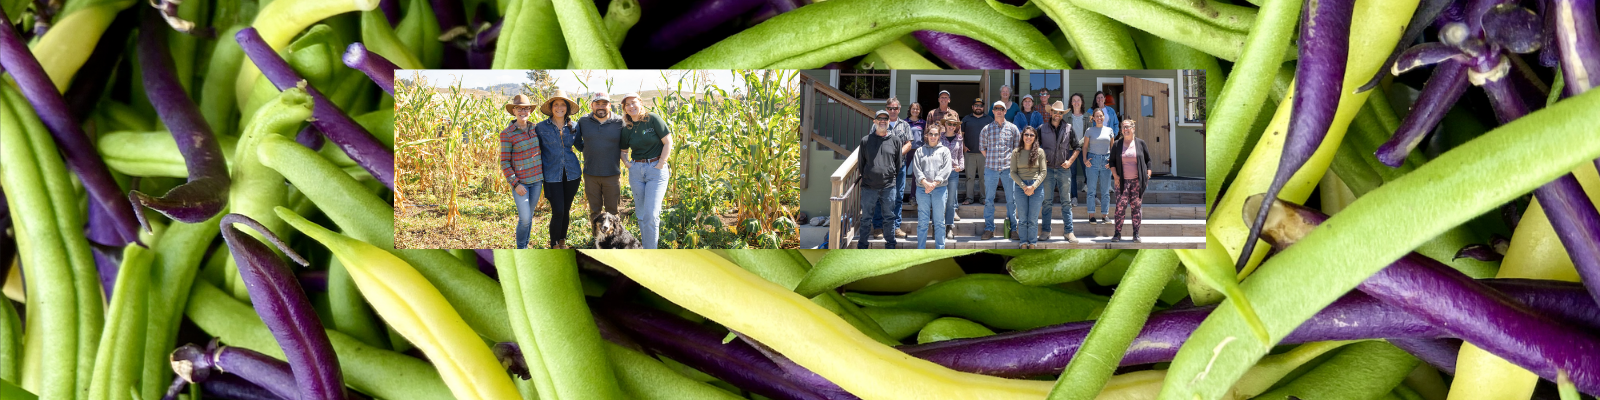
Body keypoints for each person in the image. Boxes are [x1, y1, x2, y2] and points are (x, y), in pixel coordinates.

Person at [619, 93, 673, 249]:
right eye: (627, 105)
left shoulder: (652, 119)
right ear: (624, 108)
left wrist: (661, 162)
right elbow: (623, 150)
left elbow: (668, 141)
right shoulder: (627, 128)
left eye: (633, 103)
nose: (631, 106)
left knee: (651, 214)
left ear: (640, 103)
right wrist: (628, 164)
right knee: (641, 215)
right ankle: (647, 249)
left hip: (655, 170)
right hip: (636, 172)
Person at [855, 109, 911, 248]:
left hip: (888, 187)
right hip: (869, 187)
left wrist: (889, 175)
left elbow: (898, 164)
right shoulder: (866, 141)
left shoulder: (895, 141)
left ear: (888, 122)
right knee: (866, 218)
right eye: (879, 118)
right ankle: (862, 245)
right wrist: (869, 175)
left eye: (885, 119)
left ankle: (890, 244)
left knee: (889, 217)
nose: (882, 121)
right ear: (874, 121)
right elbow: (861, 163)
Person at [536, 91, 583, 249]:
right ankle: (554, 244)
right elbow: (534, 149)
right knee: (558, 211)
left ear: (567, 108)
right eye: (556, 104)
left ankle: (562, 241)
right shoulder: (541, 127)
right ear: (551, 107)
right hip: (551, 175)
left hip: (573, 174)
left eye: (563, 104)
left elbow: (581, 146)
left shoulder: (575, 126)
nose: (559, 107)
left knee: (566, 209)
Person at [498, 94, 544, 249]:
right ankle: (521, 248)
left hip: (537, 181)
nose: (523, 111)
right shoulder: (507, 133)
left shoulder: (536, 129)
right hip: (521, 183)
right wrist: (515, 183)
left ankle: (525, 245)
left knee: (529, 217)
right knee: (524, 218)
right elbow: (504, 162)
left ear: (530, 110)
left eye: (526, 108)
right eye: (519, 108)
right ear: (514, 111)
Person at [574, 92, 625, 223]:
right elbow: (578, 142)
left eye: (604, 103)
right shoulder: (583, 121)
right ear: (592, 105)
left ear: (610, 105)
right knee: (595, 212)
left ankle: (613, 241)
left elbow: (626, 143)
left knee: (613, 212)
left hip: (612, 175)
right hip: (591, 174)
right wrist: (589, 150)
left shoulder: (619, 122)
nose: (601, 107)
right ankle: (597, 241)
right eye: (597, 104)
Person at [871, 98, 914, 240]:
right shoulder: (879, 123)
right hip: (881, 168)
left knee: (897, 197)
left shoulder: (905, 125)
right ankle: (878, 227)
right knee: (879, 197)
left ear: (899, 109)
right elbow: (871, 142)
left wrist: (897, 155)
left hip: (899, 167)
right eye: (890, 108)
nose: (892, 111)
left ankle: (895, 227)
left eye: (895, 108)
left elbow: (909, 144)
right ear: (886, 109)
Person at [1038, 100, 1080, 243]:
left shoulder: (1069, 128)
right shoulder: (1042, 128)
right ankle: (1046, 230)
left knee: (1066, 202)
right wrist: (1041, 160)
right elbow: (1033, 147)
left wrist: (1070, 161)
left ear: (1062, 114)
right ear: (1050, 112)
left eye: (1060, 113)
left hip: (1063, 170)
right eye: (1055, 112)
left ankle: (1069, 232)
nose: (1057, 114)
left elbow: (1077, 147)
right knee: (1047, 202)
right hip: (1048, 170)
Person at [979, 101, 1020, 240]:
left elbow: (1017, 150)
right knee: (989, 200)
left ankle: (1014, 229)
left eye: (1001, 109)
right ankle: (989, 229)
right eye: (996, 108)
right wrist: (992, 159)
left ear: (1005, 111)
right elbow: (982, 148)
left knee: (1011, 200)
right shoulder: (986, 129)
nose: (998, 111)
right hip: (991, 168)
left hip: (1008, 169)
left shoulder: (1013, 129)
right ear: (993, 111)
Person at [1109, 119, 1152, 243]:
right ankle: (1117, 234)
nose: (1125, 129)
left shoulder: (1140, 143)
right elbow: (1111, 161)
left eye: (1127, 127)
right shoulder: (1117, 144)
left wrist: (1148, 175)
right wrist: (1115, 176)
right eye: (1123, 127)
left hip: (1137, 182)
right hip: (1121, 182)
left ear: (1133, 128)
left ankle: (1136, 234)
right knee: (1120, 208)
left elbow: (1148, 160)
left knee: (1136, 208)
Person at [911, 123, 953, 249]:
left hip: (939, 190)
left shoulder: (945, 151)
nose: (933, 137)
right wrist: (925, 182)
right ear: (927, 135)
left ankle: (940, 249)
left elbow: (947, 169)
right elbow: (916, 168)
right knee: (923, 222)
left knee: (939, 222)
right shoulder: (919, 151)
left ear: (939, 136)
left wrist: (934, 183)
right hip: (922, 190)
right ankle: (921, 249)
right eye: (931, 134)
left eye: (936, 134)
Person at [1011, 126, 1047, 249]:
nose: (1028, 137)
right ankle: (1023, 242)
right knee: (1022, 218)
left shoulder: (1040, 152)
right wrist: (1024, 186)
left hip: (1036, 186)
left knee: (1032, 218)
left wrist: (1033, 186)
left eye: (1032, 135)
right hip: (1020, 186)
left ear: (1035, 137)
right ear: (1022, 136)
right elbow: (1012, 172)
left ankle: (1032, 242)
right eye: (1026, 134)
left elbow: (1043, 172)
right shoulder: (1016, 152)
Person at [1082, 108, 1117, 226]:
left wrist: (1112, 162)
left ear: (1104, 117)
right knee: (1091, 190)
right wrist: (1085, 159)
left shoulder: (1109, 130)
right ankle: (1091, 215)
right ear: (1093, 118)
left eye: (1101, 116)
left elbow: (1113, 148)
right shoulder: (1089, 130)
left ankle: (1105, 215)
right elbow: (1085, 147)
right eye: (1096, 116)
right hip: (1093, 161)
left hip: (1106, 161)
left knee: (1105, 190)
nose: (1099, 118)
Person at [937, 114, 965, 239]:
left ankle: (949, 227)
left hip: (954, 172)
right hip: (940, 173)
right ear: (945, 125)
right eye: (949, 124)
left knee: (950, 202)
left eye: (954, 124)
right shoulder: (939, 137)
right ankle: (937, 227)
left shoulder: (959, 138)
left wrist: (961, 166)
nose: (951, 126)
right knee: (939, 200)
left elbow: (960, 155)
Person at [960, 98, 992, 206]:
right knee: (970, 177)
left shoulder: (989, 119)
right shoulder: (966, 119)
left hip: (984, 154)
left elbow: (993, 136)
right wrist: (963, 146)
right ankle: (969, 198)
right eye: (976, 105)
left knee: (984, 177)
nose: (978, 107)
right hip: (969, 153)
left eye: (980, 105)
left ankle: (984, 198)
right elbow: (961, 135)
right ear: (972, 107)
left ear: (983, 107)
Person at [1066, 93, 1089, 210]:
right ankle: (1074, 197)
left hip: (1084, 148)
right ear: (1071, 102)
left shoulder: (1087, 116)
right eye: (1074, 100)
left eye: (1078, 100)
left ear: (1081, 102)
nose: (1076, 102)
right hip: (1071, 149)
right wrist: (1074, 145)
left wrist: (1079, 145)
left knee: (1088, 173)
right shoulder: (1067, 117)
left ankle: (1092, 196)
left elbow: (1088, 133)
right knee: (1072, 174)